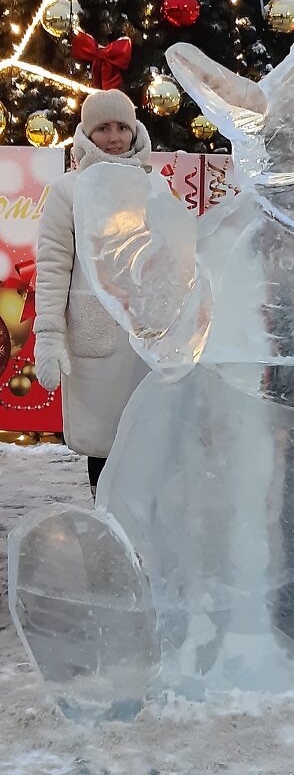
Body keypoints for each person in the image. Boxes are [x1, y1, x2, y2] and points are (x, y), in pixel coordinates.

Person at [34, 90, 151, 497]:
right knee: (103, 442)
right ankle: (106, 528)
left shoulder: (152, 187)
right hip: (95, 333)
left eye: (122, 126)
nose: (115, 136)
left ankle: (138, 532)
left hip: (144, 337)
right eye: (104, 127)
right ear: (87, 132)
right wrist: (48, 333)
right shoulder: (68, 190)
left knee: (143, 439)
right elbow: (52, 266)